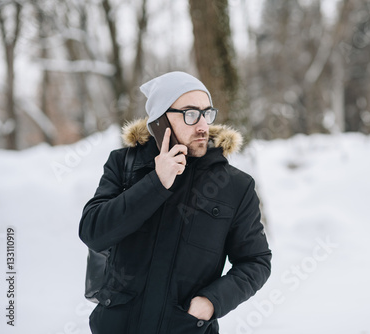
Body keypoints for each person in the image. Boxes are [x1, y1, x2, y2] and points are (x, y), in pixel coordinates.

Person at [79, 71, 272, 333]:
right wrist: (155, 183)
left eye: (207, 113)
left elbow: (256, 260)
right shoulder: (124, 165)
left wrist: (210, 302)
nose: (203, 125)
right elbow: (94, 232)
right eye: (191, 114)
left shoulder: (235, 186)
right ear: (161, 121)